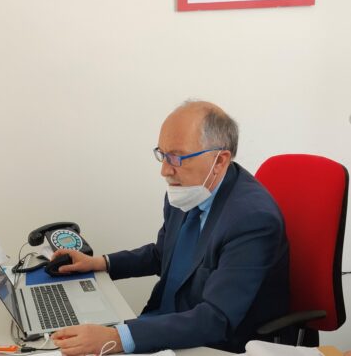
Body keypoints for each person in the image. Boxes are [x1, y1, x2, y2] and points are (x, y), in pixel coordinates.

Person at [51, 100, 290, 354]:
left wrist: (116, 337)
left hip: (211, 344)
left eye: (176, 157)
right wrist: (99, 263)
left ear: (219, 161)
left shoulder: (252, 219)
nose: (165, 170)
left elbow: (216, 319)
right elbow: (162, 253)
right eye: (162, 155)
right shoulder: (188, 190)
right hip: (166, 324)